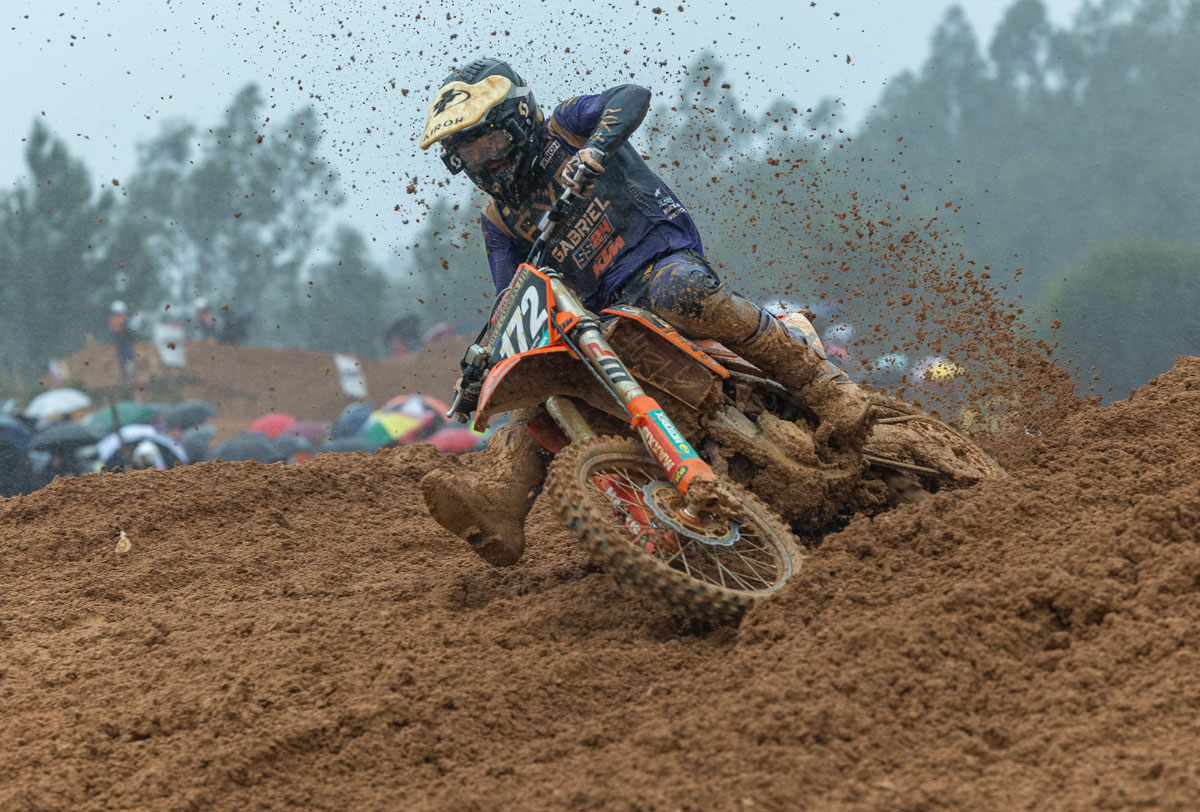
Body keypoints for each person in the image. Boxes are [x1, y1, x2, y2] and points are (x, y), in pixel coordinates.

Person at [417, 58, 874, 566]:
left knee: (678, 291)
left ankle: (822, 384)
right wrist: (483, 365)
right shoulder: (499, 220)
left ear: (519, 121)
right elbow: (512, 297)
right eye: (470, 152)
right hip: (602, 317)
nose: (486, 160)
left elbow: (631, 95)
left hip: (660, 264)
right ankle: (499, 504)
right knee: (540, 387)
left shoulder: (566, 127)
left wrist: (595, 149)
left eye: (491, 142)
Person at [108, 300, 135, 379]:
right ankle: (128, 369)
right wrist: (133, 336)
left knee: (121, 355)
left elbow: (112, 331)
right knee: (127, 353)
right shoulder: (122, 318)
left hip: (118, 339)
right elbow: (128, 330)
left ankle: (124, 371)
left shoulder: (112, 319)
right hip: (124, 338)